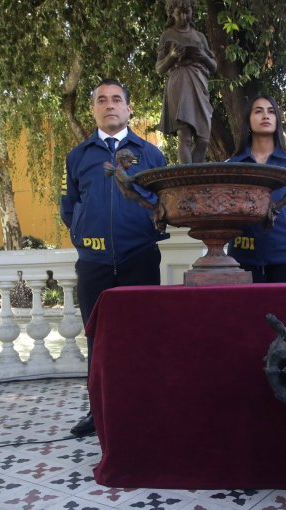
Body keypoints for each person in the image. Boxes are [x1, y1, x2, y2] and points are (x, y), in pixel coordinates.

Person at [60, 79, 168, 437]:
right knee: (98, 340)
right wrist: (81, 234)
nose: (110, 105)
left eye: (117, 100)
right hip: (94, 264)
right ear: (93, 109)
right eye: (102, 100)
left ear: (129, 109)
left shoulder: (151, 155)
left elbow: (162, 203)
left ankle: (142, 409)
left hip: (139, 257)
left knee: (140, 337)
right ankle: (98, 413)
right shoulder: (78, 156)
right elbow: (70, 205)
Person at [226, 94, 286, 283]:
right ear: (248, 119)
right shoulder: (234, 165)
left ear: (277, 120)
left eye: (271, 112)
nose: (266, 116)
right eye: (258, 111)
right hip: (242, 256)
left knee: (285, 313)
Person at [155, 0, 217, 164]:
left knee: (203, 139)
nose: (183, 16)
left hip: (199, 81)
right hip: (179, 82)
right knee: (185, 135)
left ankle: (194, 178)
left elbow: (214, 66)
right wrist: (172, 56)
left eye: (187, 11)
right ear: (171, 13)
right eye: (179, 12)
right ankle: (187, 180)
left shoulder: (199, 36)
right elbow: (159, 68)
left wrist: (203, 56)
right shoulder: (167, 35)